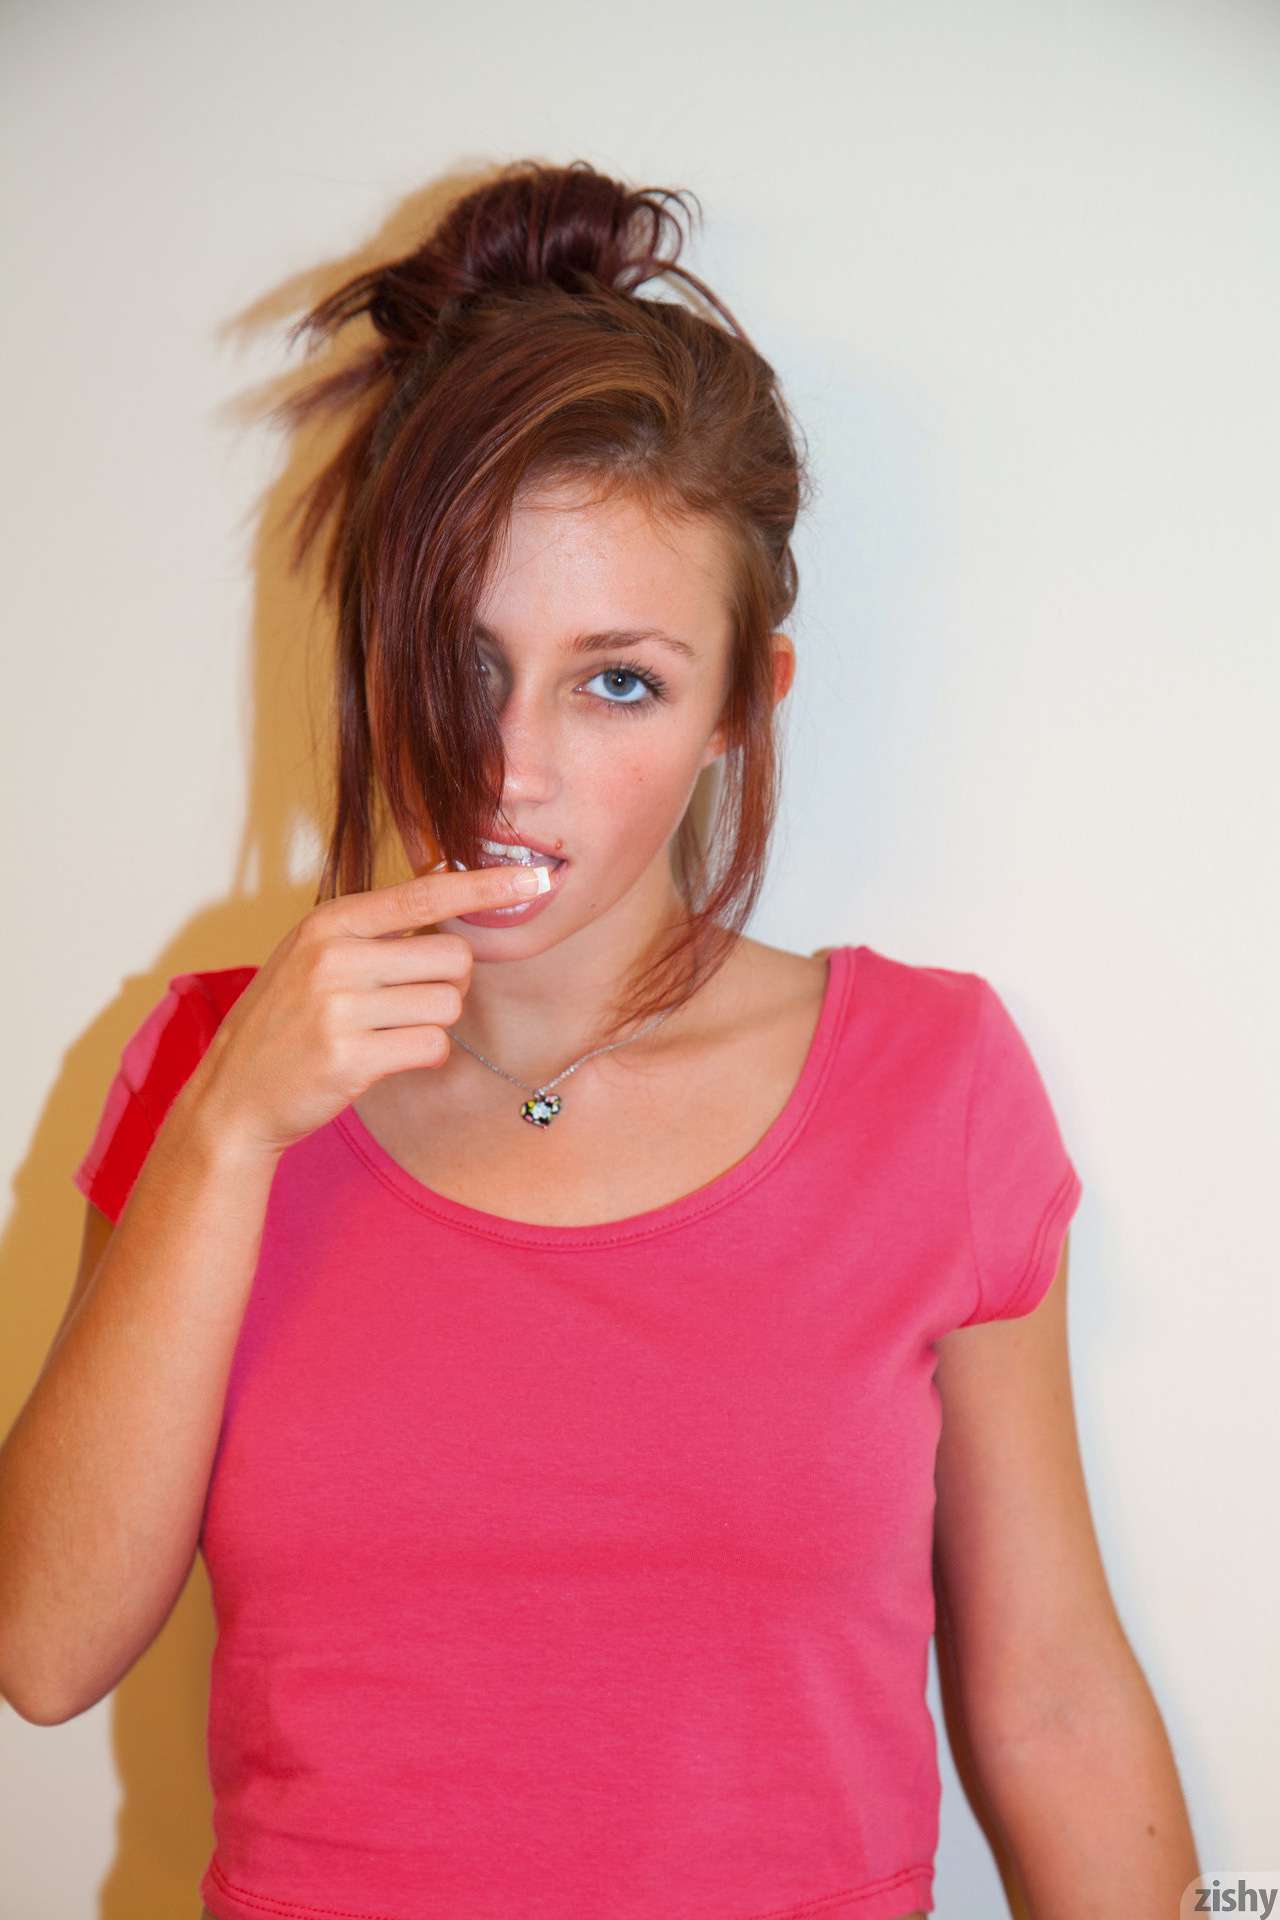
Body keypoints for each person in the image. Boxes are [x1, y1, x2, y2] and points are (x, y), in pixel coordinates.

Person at [0, 159, 1198, 1920]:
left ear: (740, 709)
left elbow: (1055, 1704)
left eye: (617, 679)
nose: (514, 768)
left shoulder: (929, 1088)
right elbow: (42, 1650)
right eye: (463, 658)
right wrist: (228, 1136)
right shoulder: (209, 1070)